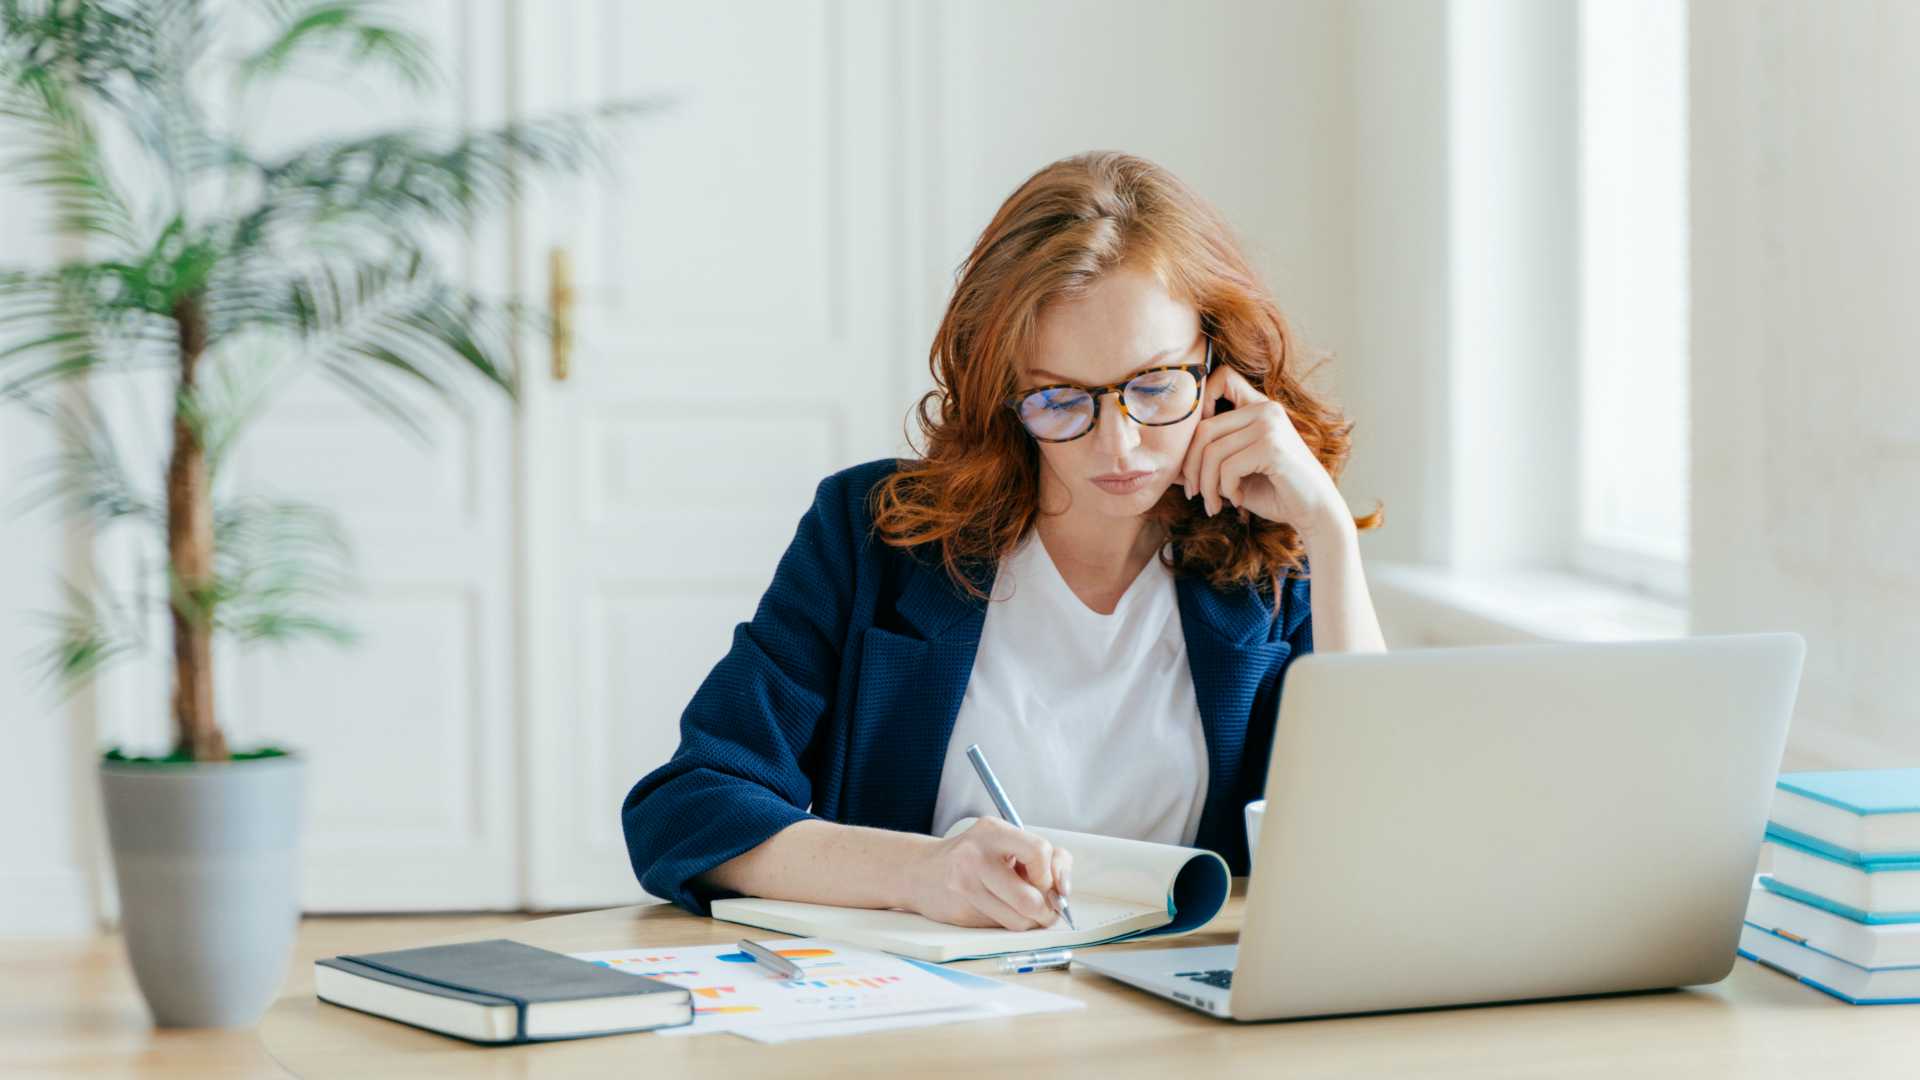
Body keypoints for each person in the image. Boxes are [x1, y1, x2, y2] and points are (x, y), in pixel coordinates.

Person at [622, 151, 1386, 931]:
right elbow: (686, 810)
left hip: (1171, 1018)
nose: (1117, 447)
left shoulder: (1268, 563)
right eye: (1058, 399)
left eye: (1155, 386)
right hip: (929, 1024)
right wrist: (918, 872)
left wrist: (1327, 533)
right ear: (1002, 392)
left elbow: (1376, 841)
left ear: (1218, 365)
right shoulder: (873, 536)